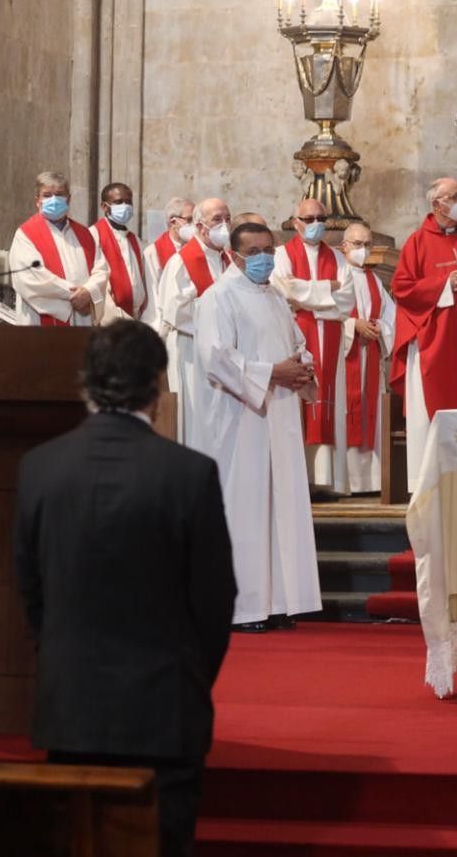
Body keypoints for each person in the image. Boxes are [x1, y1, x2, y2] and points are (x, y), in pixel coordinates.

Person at [15, 320, 235, 857]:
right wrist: (187, 678)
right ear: (158, 388)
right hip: (164, 711)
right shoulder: (189, 473)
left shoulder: (39, 469)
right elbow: (214, 601)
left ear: (84, 382)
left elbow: (31, 589)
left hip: (72, 713)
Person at [196, 222, 321, 631]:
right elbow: (216, 357)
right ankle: (245, 606)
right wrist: (271, 373)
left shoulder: (276, 298)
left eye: (269, 249)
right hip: (241, 418)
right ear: (234, 255)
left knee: (281, 505)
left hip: (280, 415)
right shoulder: (218, 297)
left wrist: (301, 369)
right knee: (246, 506)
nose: (264, 258)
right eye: (254, 251)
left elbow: (298, 344)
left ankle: (282, 602)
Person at [391, 177, 457, 492]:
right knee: (427, 415)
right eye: (455, 197)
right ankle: (427, 485)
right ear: (437, 204)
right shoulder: (417, 242)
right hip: (433, 343)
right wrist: (446, 284)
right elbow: (402, 289)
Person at [272, 199, 357, 494]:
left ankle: (328, 480)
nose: (315, 224)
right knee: (297, 403)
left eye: (321, 218)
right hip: (297, 337)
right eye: (308, 219)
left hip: (331, 340)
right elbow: (283, 291)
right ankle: (299, 478)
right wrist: (327, 290)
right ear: (295, 222)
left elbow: (347, 303)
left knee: (330, 402)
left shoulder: (339, 258)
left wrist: (306, 298)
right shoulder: (281, 254)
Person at [156, 197, 233, 449]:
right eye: (217, 220)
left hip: (223, 351)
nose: (224, 225)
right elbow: (175, 310)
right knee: (195, 416)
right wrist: (217, 313)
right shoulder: (182, 261)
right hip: (191, 350)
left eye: (227, 218)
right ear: (200, 227)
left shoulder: (228, 260)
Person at [337, 223, 396, 495]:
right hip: (344, 358)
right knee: (346, 411)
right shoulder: (336, 275)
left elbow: (391, 316)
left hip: (370, 355)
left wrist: (379, 328)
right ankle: (347, 481)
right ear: (344, 246)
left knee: (371, 415)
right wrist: (352, 327)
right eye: (357, 243)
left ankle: (371, 481)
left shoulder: (375, 281)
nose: (363, 250)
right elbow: (325, 316)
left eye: (367, 244)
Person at [9, 171, 109, 327]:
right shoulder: (25, 234)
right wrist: (75, 295)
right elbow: (30, 278)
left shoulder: (85, 234)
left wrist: (89, 292)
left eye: (59, 194)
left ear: (68, 199)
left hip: (82, 323)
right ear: (38, 201)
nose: (53, 199)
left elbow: (101, 269)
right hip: (40, 326)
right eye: (47, 195)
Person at [91, 182, 149, 323]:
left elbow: (142, 280)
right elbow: (96, 283)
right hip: (109, 319)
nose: (125, 206)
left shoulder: (135, 240)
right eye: (118, 202)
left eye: (128, 202)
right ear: (105, 206)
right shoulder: (93, 235)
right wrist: (118, 318)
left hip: (136, 317)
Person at [143, 197, 196, 328]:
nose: (194, 225)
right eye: (190, 220)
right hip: (165, 323)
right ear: (173, 222)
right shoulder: (153, 252)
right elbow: (153, 294)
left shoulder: (198, 249)